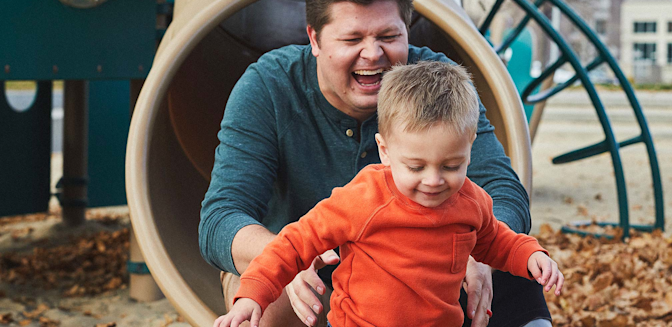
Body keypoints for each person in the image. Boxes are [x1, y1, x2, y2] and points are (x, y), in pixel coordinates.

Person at [199, 0, 553, 327]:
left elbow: (502, 186)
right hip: (308, 266)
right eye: (352, 39)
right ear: (315, 39)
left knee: (508, 253)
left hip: (417, 267)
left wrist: (477, 253)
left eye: (388, 35)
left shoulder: (436, 82)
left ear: (408, 30)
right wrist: (282, 254)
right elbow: (220, 216)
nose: (373, 54)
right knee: (268, 293)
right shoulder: (269, 87)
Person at [213, 61, 564, 327]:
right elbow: (293, 244)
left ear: (470, 148)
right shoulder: (363, 199)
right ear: (385, 151)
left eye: (452, 165)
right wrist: (253, 296)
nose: (433, 180)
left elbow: (497, 241)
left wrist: (531, 255)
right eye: (415, 167)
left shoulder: (472, 202)